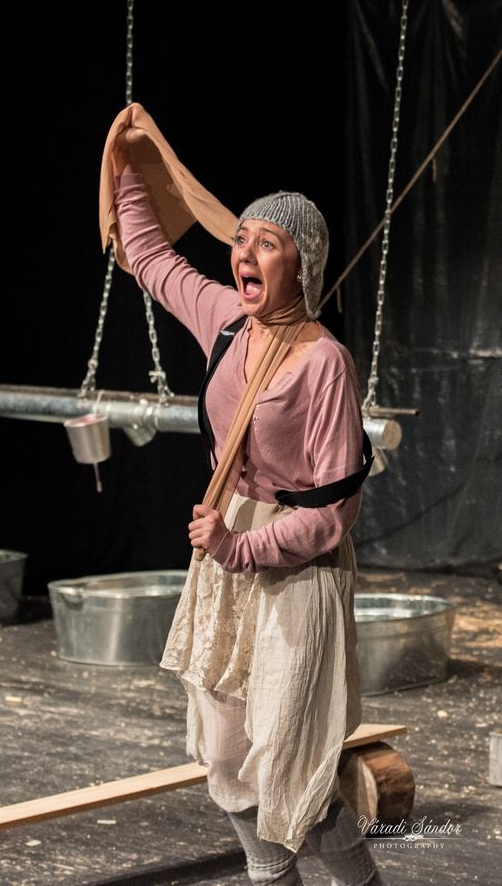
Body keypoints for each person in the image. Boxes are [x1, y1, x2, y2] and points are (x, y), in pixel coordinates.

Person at [111, 127, 384, 886]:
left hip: (296, 565)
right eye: (241, 240)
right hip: (226, 544)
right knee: (227, 752)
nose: (245, 254)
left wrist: (243, 547)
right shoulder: (226, 319)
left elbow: (331, 512)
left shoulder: (323, 363)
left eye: (267, 244)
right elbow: (152, 259)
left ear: (302, 263)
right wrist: (126, 166)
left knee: (290, 760)